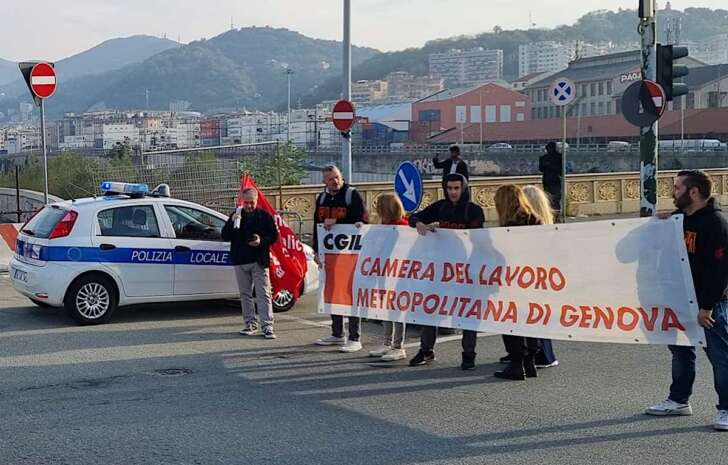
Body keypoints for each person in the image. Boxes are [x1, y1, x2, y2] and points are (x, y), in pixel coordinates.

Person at [645, 170, 728, 431]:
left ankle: (726, 408)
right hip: (680, 298)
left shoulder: (716, 224)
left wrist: (707, 306)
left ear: (694, 192)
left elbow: (721, 270)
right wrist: (660, 224)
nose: (672, 191)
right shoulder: (679, 220)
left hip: (709, 304)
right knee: (681, 351)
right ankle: (679, 400)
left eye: (677, 187)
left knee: (721, 357)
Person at [407, 172, 485, 369]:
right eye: (449, 188)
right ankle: (426, 350)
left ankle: (469, 355)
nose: (453, 192)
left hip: (465, 271)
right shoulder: (440, 206)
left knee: (467, 314)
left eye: (457, 188)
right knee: (430, 308)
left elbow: (478, 239)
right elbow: (414, 216)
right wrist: (419, 223)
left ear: (464, 188)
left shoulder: (473, 211)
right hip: (441, 270)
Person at [497, 185, 560, 369]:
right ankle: (533, 356)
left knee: (523, 317)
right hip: (535, 277)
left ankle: (527, 357)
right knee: (534, 315)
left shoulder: (516, 224)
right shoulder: (538, 222)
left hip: (524, 279)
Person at [313, 165, 367, 353]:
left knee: (351, 293)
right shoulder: (321, 198)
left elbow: (363, 221)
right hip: (330, 254)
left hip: (350, 255)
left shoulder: (352, 195)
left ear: (341, 177)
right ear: (324, 182)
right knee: (333, 291)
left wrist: (337, 221)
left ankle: (355, 337)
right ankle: (337, 333)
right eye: (330, 179)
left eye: (337, 177)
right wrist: (316, 251)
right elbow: (317, 225)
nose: (335, 181)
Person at [493, 184, 542, 380]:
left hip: (515, 280)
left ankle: (516, 364)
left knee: (511, 320)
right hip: (534, 279)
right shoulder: (534, 220)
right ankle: (530, 363)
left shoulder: (510, 226)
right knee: (530, 320)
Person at [221, 187, 279, 339]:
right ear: (242, 201)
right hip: (240, 259)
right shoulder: (236, 215)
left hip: (259, 260)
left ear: (256, 201)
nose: (249, 206)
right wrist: (231, 223)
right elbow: (225, 235)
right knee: (245, 294)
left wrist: (261, 241)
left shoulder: (264, 216)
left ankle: (267, 326)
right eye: (246, 203)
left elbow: (274, 236)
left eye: (251, 203)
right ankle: (250, 324)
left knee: (263, 294)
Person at [365, 193, 410, 361]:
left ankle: (398, 346)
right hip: (384, 272)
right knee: (386, 308)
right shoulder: (385, 226)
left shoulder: (401, 227)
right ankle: (387, 342)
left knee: (396, 309)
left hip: (397, 274)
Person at [539, 141, 563, 212]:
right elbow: (561, 170)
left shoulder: (544, 158)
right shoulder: (559, 157)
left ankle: (552, 212)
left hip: (549, 179)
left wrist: (548, 166)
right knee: (553, 198)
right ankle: (555, 212)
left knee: (551, 198)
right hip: (553, 180)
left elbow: (541, 169)